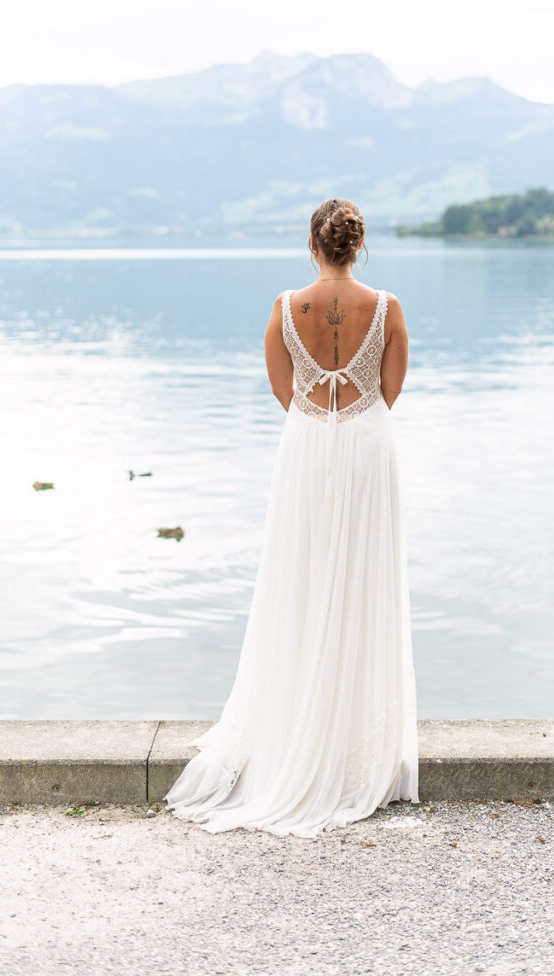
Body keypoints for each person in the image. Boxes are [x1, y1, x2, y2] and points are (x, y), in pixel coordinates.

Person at [163, 196, 419, 838]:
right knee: (363, 587)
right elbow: (389, 392)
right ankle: (354, 746)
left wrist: (320, 423)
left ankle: (296, 731)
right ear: (357, 246)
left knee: (298, 584)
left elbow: (286, 393)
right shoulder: (387, 309)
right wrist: (352, 421)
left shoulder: (285, 309)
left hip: (306, 450)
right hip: (367, 449)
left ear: (313, 245)